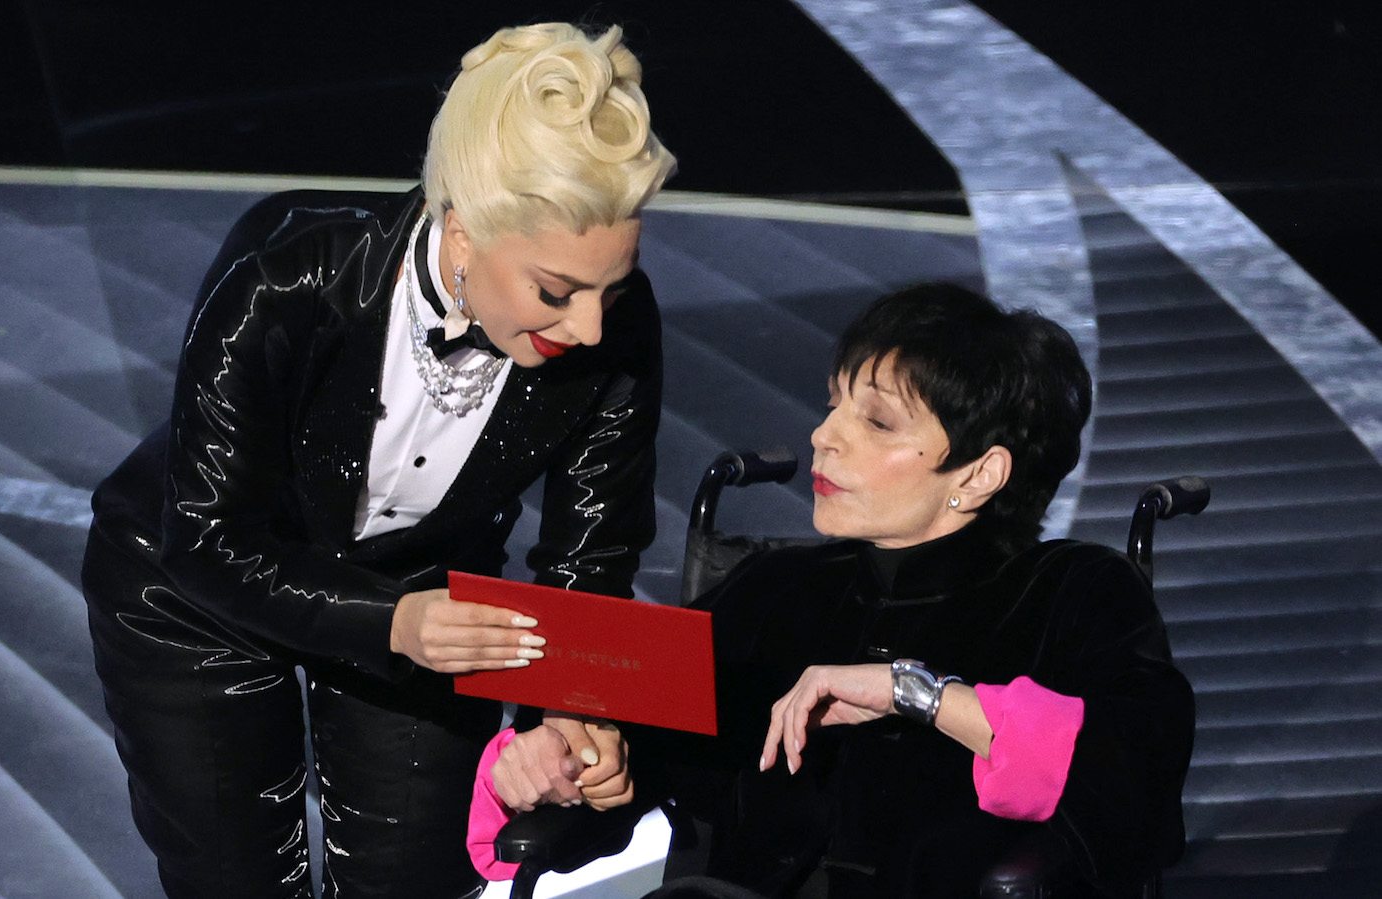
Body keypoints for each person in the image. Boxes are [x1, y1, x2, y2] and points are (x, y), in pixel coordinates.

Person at [80, 22, 675, 899]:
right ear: (462, 230)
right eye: (555, 291)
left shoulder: (615, 331)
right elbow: (205, 535)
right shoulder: (285, 269)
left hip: (431, 599)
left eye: (610, 289)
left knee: (416, 882)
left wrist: (577, 711)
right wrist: (389, 621)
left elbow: (593, 555)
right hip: (198, 596)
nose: (589, 326)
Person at [485, 284, 1196, 897]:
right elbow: (627, 742)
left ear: (979, 474)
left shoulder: (1073, 593)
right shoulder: (772, 591)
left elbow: (1130, 785)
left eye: (877, 420)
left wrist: (913, 692)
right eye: (834, 406)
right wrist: (558, 757)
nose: (824, 436)